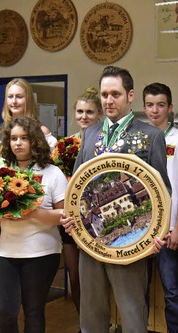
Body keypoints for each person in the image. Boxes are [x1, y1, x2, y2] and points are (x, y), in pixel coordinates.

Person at [64, 65, 171, 333]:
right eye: (104, 94)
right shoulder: (89, 133)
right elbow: (77, 183)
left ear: (130, 95)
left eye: (115, 94)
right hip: (90, 240)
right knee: (91, 314)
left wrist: (160, 231)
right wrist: (70, 217)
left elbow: (162, 192)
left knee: (132, 313)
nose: (109, 101)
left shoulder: (152, 135)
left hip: (131, 241)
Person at [0, 117, 67, 333]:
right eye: (14, 138)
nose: (18, 143)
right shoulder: (0, 175)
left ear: (35, 141)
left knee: (33, 311)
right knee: (4, 312)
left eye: (24, 138)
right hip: (7, 253)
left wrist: (31, 213)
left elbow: (64, 215)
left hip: (42, 253)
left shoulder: (53, 173)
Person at [143, 82, 178, 333]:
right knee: (139, 288)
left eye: (161, 105)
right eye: (150, 105)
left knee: (172, 290)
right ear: (144, 108)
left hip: (168, 229)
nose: (155, 111)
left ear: (170, 107)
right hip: (140, 230)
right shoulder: (137, 139)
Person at [61, 86, 103, 316]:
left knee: (95, 279)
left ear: (100, 115)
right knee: (75, 276)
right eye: (79, 112)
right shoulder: (65, 145)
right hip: (69, 217)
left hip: (94, 216)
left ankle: (102, 324)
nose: (84, 117)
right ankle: (82, 323)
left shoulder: (104, 144)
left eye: (89, 112)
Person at [0, 78, 57, 149]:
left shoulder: (42, 131)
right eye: (10, 97)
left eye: (19, 97)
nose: (14, 101)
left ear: (28, 100)